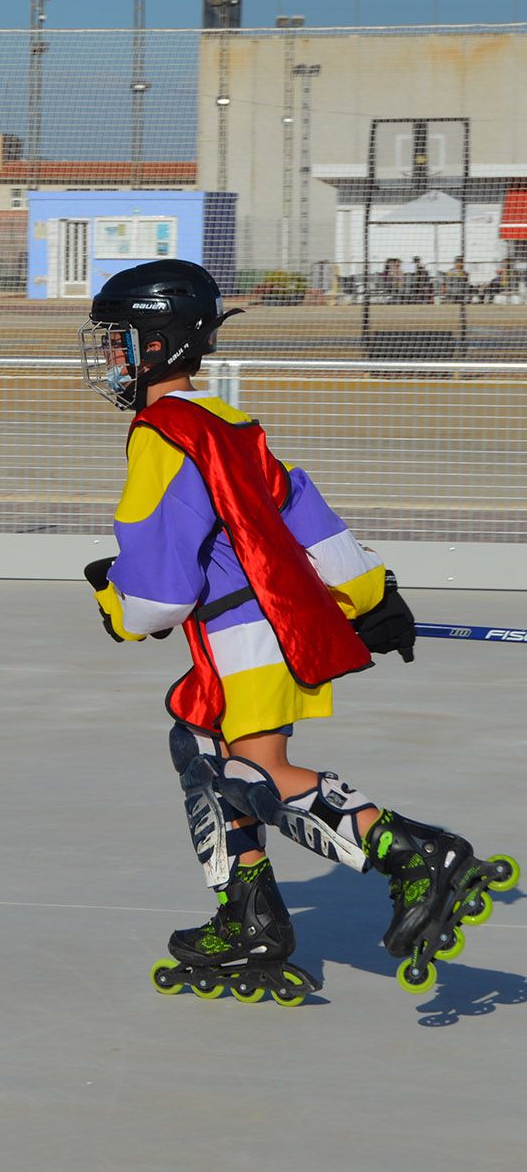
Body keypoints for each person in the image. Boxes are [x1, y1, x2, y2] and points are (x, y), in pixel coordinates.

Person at [78, 259, 515, 1002]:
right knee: (203, 751)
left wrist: (113, 602)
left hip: (241, 640)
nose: (110, 358)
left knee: (253, 777)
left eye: (116, 341)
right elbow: (305, 514)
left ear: (155, 344)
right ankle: (249, 915)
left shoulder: (161, 439)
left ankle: (416, 854)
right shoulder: (230, 427)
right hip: (272, 631)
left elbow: (160, 595)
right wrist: (374, 596)